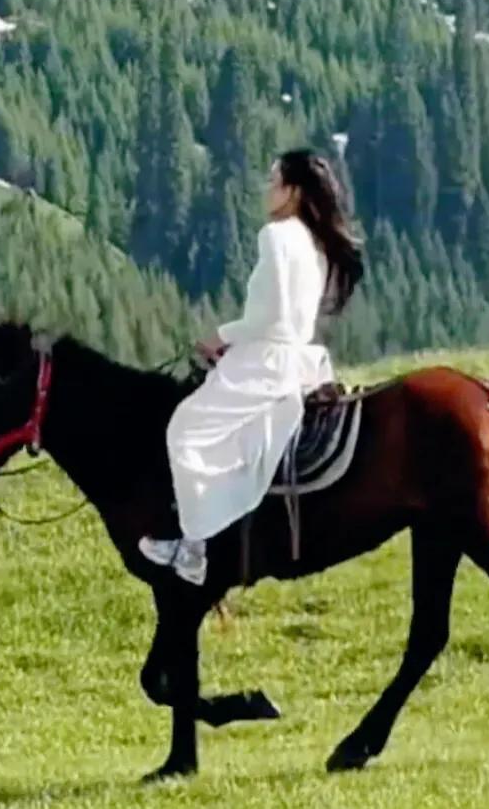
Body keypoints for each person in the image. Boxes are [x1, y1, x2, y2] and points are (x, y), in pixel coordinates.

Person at [140, 148, 364, 584]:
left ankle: (194, 546)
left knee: (185, 428)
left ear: (293, 192)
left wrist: (220, 337)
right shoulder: (315, 244)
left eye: (275, 181)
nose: (268, 189)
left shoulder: (277, 236)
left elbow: (269, 318)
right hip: (299, 359)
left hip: (267, 359)